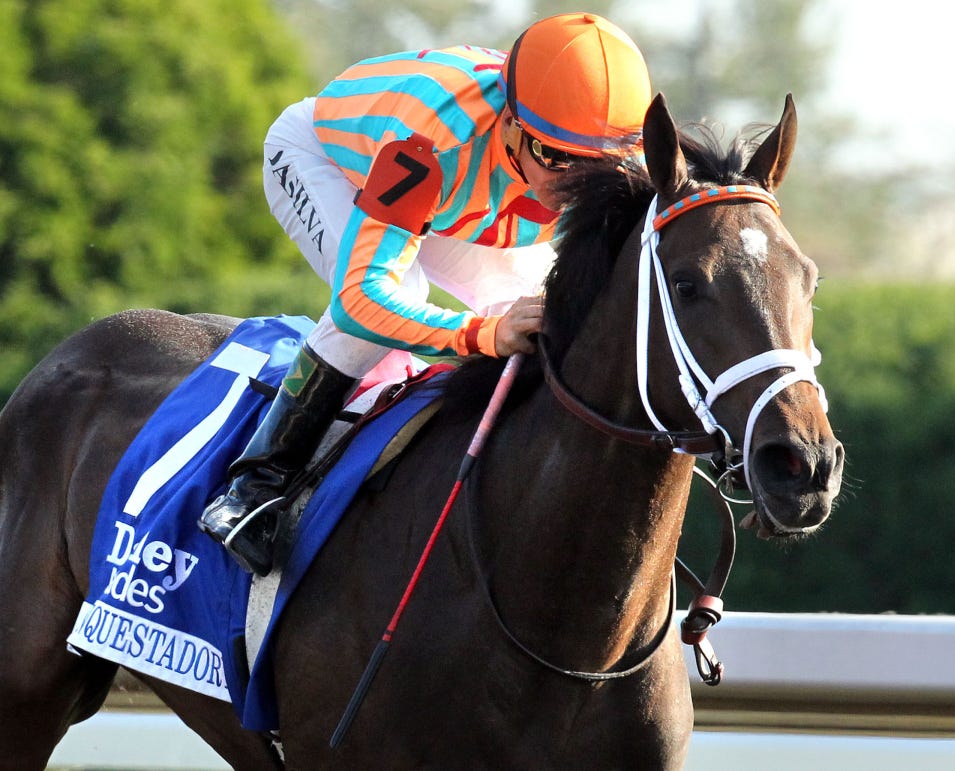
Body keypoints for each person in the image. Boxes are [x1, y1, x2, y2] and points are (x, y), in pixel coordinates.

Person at [198, 12, 653, 575]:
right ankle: (257, 484)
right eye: (556, 158)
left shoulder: (617, 163)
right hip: (333, 164)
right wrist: (480, 334)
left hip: (453, 203)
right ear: (512, 121)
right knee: (396, 300)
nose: (570, 187)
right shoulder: (430, 141)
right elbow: (361, 301)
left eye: (596, 168)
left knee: (541, 313)